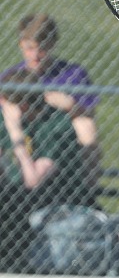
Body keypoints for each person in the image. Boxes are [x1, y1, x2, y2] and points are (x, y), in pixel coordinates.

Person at [0, 69, 93, 273]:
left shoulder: (55, 126)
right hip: (15, 199)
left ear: (22, 106)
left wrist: (15, 132)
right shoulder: (8, 118)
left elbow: (32, 180)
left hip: (56, 201)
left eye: (5, 102)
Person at [0, 14, 101, 190]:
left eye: (43, 49)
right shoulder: (14, 76)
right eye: (29, 48)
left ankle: (87, 189)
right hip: (23, 125)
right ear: (21, 45)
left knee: (86, 127)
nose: (35, 55)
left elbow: (89, 113)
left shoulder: (72, 74)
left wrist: (70, 104)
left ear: (52, 45)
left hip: (58, 131)